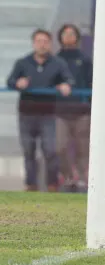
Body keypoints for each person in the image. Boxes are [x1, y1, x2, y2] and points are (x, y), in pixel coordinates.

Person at [6, 29, 73, 191]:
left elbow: (69, 79)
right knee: (29, 150)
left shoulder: (58, 63)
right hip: (26, 114)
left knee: (50, 150)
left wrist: (65, 85)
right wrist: (18, 83)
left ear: (50, 44)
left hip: (48, 114)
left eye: (45, 41)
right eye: (39, 41)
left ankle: (52, 184)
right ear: (33, 43)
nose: (42, 45)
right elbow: (10, 81)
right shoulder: (23, 63)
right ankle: (31, 185)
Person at [55, 24, 93, 192]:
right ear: (60, 37)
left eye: (72, 34)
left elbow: (91, 82)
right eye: (66, 34)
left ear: (77, 37)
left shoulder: (85, 59)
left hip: (82, 111)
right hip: (61, 112)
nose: (69, 36)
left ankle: (85, 181)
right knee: (60, 147)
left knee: (82, 148)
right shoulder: (55, 59)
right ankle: (69, 176)